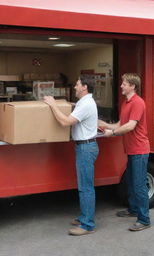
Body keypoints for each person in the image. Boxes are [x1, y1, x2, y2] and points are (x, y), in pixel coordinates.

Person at [44, 76, 99, 236]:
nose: (75, 87)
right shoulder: (83, 102)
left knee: (86, 188)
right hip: (85, 147)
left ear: (85, 87)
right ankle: (84, 217)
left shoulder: (87, 104)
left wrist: (54, 105)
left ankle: (88, 225)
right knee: (84, 186)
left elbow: (66, 122)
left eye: (77, 84)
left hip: (86, 148)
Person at [98, 73, 150, 231]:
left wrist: (112, 133)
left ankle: (144, 219)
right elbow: (121, 124)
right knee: (130, 181)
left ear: (133, 86)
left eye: (124, 84)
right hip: (131, 149)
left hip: (139, 150)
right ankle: (133, 209)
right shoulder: (126, 102)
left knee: (139, 185)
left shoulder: (138, 103)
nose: (121, 86)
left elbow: (130, 126)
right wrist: (104, 124)